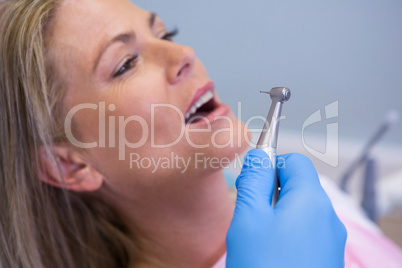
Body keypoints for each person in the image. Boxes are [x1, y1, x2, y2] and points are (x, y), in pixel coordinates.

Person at [0, 0, 346, 267]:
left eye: (165, 34)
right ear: (69, 165)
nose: (185, 54)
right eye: (125, 64)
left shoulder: (316, 210)